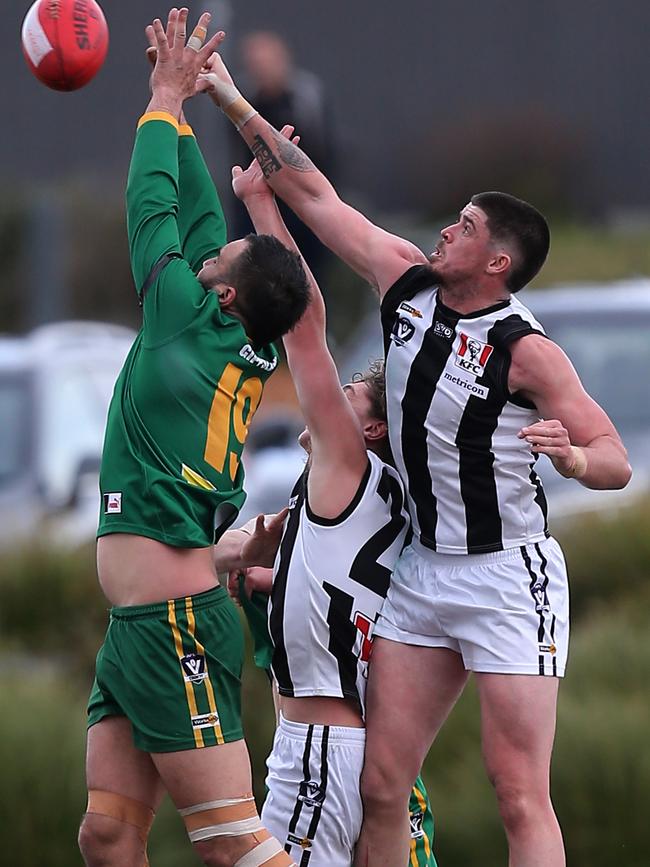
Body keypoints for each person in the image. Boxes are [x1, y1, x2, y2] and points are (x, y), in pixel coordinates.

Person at [197, 52, 632, 867]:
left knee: (517, 792)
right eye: (455, 218)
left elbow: (616, 459)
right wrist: (227, 95)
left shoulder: (525, 351)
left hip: (507, 574)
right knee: (383, 782)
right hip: (426, 573)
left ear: (497, 263)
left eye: (466, 227)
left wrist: (573, 457)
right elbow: (316, 194)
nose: (447, 229)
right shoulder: (406, 282)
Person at [78, 11, 310, 867]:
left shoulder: (181, 315)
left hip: (174, 620)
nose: (220, 248)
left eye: (231, 256)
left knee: (234, 847)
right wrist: (176, 109)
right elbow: (205, 215)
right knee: (106, 835)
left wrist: (162, 100)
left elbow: (153, 212)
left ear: (224, 296)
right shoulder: (226, 326)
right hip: (137, 625)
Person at [209, 144, 437, 866]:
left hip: (319, 742)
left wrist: (258, 204)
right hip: (341, 739)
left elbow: (303, 322)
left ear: (370, 427)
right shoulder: (382, 494)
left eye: (348, 399)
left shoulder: (351, 464)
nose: (328, 401)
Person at [227, 31, 337, 287]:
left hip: (302, 204)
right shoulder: (245, 98)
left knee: (309, 280)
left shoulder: (306, 97)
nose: (261, 69)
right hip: (259, 199)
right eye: (255, 63)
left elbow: (323, 149)